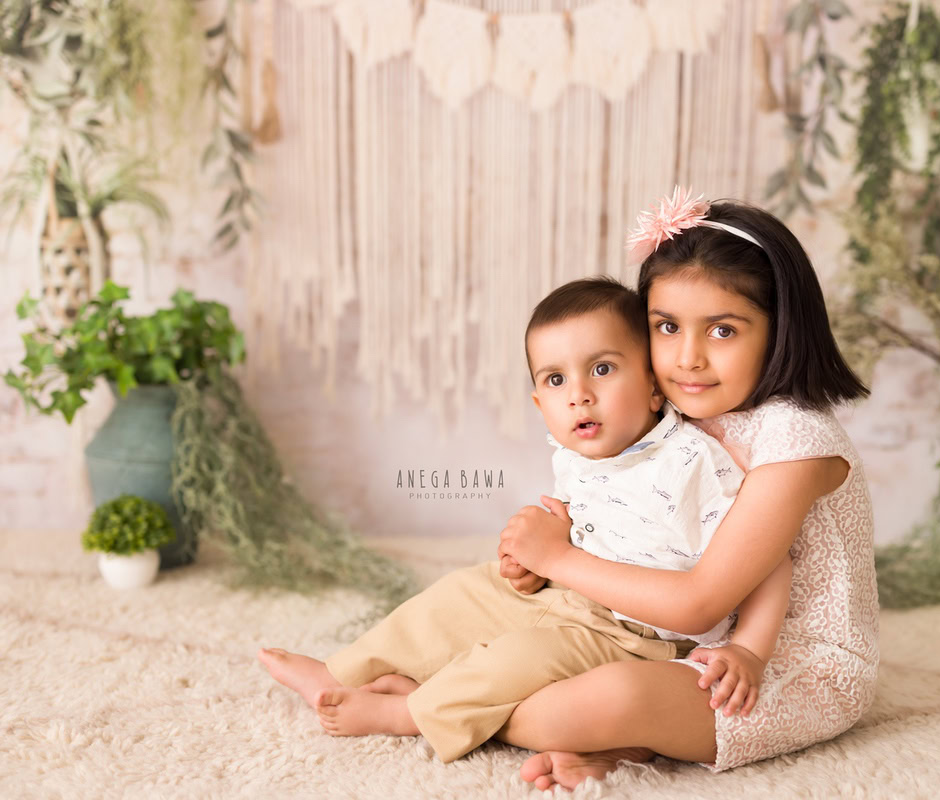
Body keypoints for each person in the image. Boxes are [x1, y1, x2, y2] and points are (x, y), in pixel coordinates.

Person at [256, 275, 794, 763]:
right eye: (556, 380)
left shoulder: (693, 462)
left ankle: (410, 712)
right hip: (566, 592)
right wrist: (528, 567)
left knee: (515, 659)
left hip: (632, 634)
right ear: (540, 405)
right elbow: (576, 533)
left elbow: (765, 560)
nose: (579, 394)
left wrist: (749, 648)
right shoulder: (577, 455)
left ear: (654, 385)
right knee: (458, 596)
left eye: (602, 369)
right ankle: (343, 671)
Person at [489, 188, 879, 791]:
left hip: (772, 665)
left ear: (779, 330)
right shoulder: (680, 409)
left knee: (588, 699)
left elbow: (700, 603)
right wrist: (557, 534)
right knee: (495, 628)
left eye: (723, 330)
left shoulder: (797, 441)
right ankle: (624, 741)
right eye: (667, 327)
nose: (688, 358)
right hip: (668, 640)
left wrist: (560, 559)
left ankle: (465, 711)